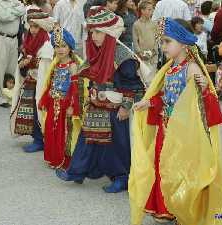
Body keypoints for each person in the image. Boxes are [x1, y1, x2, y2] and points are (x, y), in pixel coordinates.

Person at [129, 18, 222, 225]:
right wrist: (148, 102)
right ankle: (168, 208)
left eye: (167, 42)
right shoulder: (169, 69)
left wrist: (203, 88)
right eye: (162, 42)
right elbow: (166, 96)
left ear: (183, 44)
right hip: (165, 129)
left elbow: (203, 104)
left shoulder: (191, 68)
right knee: (164, 167)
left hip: (183, 134)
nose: (163, 46)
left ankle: (184, 207)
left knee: (182, 170)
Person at [56, 7, 145, 193]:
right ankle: (77, 171)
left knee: (115, 144)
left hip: (115, 109)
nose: (93, 36)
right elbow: (89, 73)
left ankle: (121, 177)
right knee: (87, 139)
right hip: (96, 104)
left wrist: (126, 106)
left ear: (108, 33)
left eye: (97, 32)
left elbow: (135, 86)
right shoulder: (97, 53)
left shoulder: (123, 57)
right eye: (91, 32)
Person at [10, 9, 54, 152]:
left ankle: (41, 140)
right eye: (31, 26)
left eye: (36, 26)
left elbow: (46, 66)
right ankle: (36, 138)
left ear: (42, 26)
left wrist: (30, 62)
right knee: (30, 110)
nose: (33, 29)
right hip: (30, 81)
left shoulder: (47, 43)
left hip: (42, 83)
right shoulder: (27, 38)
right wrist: (23, 63)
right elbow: (24, 56)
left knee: (39, 110)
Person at [38, 27, 82, 169]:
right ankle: (53, 157)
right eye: (57, 46)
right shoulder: (55, 64)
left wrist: (72, 105)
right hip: (53, 103)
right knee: (51, 129)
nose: (60, 49)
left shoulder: (74, 65)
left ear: (70, 47)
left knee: (64, 132)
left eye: (63, 46)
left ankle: (64, 159)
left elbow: (76, 89)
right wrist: (45, 99)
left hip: (65, 104)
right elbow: (50, 83)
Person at [0, 0, 26, 107]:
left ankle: (11, 95)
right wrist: (15, 12)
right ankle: (1, 98)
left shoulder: (15, 1)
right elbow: (3, 17)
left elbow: (22, 10)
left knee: (12, 69)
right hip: (1, 38)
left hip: (14, 39)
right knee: (0, 69)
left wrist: (9, 11)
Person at [132, 0, 158, 85]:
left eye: (152, 9)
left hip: (153, 56)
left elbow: (157, 39)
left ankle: (151, 96)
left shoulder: (154, 24)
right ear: (142, 11)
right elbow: (135, 41)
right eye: (149, 9)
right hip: (142, 56)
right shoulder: (136, 24)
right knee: (144, 79)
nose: (151, 11)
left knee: (152, 79)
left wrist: (154, 51)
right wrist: (140, 53)